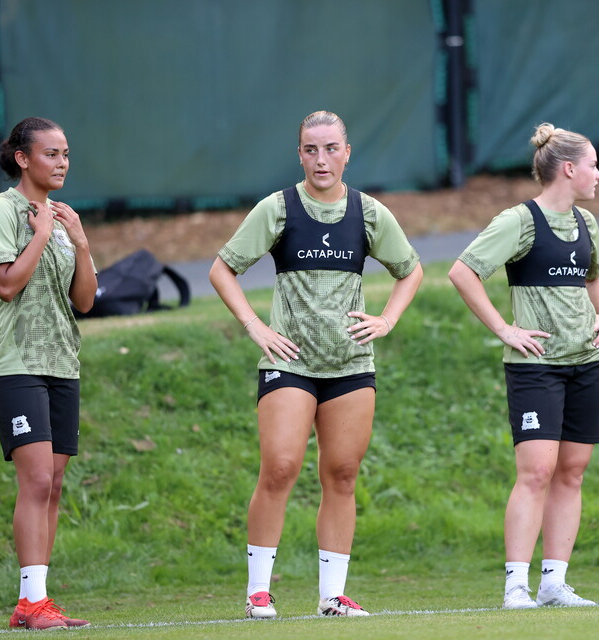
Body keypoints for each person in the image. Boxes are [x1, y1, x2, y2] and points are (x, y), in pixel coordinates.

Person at [209, 110, 423, 619]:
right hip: (291, 363)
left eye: (331, 148)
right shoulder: (278, 208)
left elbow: (410, 270)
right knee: (280, 467)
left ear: (347, 153)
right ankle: (258, 591)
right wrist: (255, 327)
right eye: (310, 149)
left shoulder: (368, 212)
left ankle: (333, 597)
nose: (321, 159)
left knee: (343, 473)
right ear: (299, 154)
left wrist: (387, 320)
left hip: (350, 363)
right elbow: (222, 269)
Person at [448, 123, 599, 609]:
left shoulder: (588, 224)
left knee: (573, 471)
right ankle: (515, 586)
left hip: (587, 363)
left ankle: (554, 584)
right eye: (593, 165)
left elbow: (596, 276)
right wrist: (505, 329)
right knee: (536, 471)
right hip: (535, 367)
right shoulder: (520, 221)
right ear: (568, 169)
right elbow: (463, 272)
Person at [0, 117, 97, 629]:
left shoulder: (63, 216)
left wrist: (81, 244)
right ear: (23, 159)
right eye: (51, 153)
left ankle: (39, 601)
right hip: (15, 366)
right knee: (36, 478)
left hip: (61, 366)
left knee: (53, 484)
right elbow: (7, 285)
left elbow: (85, 301)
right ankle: (29, 603)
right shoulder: (3, 211)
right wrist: (42, 234)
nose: (62, 162)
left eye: (66, 153)